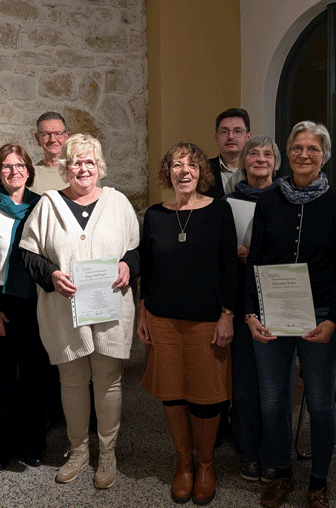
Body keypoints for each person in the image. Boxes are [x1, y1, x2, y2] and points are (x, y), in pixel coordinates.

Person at [244, 121, 336, 508]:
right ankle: (282, 472)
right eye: (297, 148)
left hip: (322, 315)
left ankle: (319, 480)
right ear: (287, 153)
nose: (304, 155)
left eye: (313, 148)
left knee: (321, 402)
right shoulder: (269, 201)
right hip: (271, 313)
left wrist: (334, 319)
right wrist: (249, 313)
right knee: (273, 401)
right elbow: (255, 260)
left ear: (324, 154)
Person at [19, 133, 140, 489]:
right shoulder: (48, 204)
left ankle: (107, 452)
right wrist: (52, 274)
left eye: (89, 162)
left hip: (108, 308)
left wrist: (127, 266)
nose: (82, 169)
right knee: (71, 381)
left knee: (108, 380)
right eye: (75, 162)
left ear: (99, 166)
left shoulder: (117, 203)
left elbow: (135, 249)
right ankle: (78, 450)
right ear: (64, 168)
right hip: (64, 310)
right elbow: (28, 254)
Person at [139, 141, 236, 505]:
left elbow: (229, 266)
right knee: (172, 391)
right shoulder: (155, 214)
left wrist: (228, 315)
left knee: (206, 394)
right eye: (177, 165)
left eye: (192, 165)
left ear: (201, 173)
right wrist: (142, 312)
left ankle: (206, 463)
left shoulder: (218, 211)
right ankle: (183, 463)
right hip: (163, 318)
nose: (184, 171)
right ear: (168, 173)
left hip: (206, 320)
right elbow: (147, 270)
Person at [0, 144, 55, 472]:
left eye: (19, 165)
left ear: (28, 170)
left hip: (37, 299)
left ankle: (33, 445)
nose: (14, 171)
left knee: (36, 378)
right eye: (6, 166)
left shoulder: (44, 206)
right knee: (1, 379)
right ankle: (1, 450)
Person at [223, 136, 280, 484]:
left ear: (276, 162)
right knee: (243, 381)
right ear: (243, 162)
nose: (260, 158)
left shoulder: (288, 199)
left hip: (278, 296)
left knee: (274, 383)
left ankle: (274, 450)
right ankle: (248, 450)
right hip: (241, 297)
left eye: (267, 154)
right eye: (253, 154)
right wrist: (234, 252)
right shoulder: (227, 203)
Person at [202, 108, 253, 198]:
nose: (230, 137)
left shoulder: (258, 169)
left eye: (237, 131)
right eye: (224, 132)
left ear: (248, 137)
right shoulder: (202, 169)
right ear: (216, 138)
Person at [33, 111, 71, 194]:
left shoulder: (79, 171)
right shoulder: (29, 174)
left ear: (66, 137)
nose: (53, 140)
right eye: (46, 134)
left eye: (58, 133)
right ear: (38, 138)